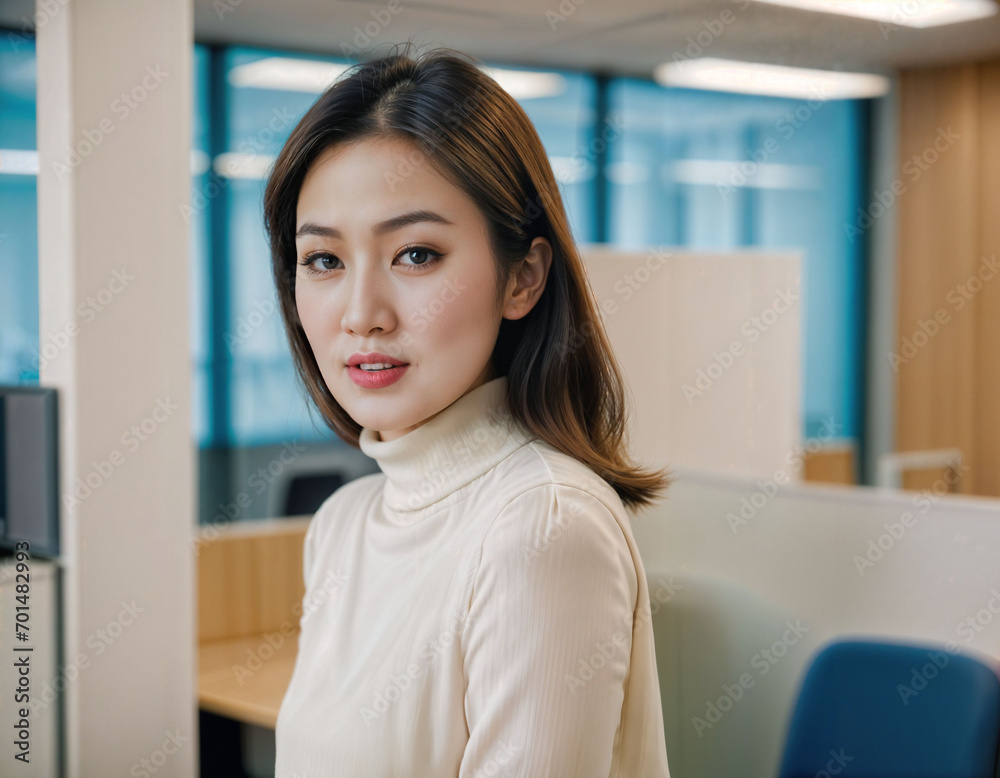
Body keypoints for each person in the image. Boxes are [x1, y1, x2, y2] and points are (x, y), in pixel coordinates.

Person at [264, 41, 673, 777]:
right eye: (324, 260)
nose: (362, 315)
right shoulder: (343, 525)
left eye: (416, 255)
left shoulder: (543, 528)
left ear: (523, 278)